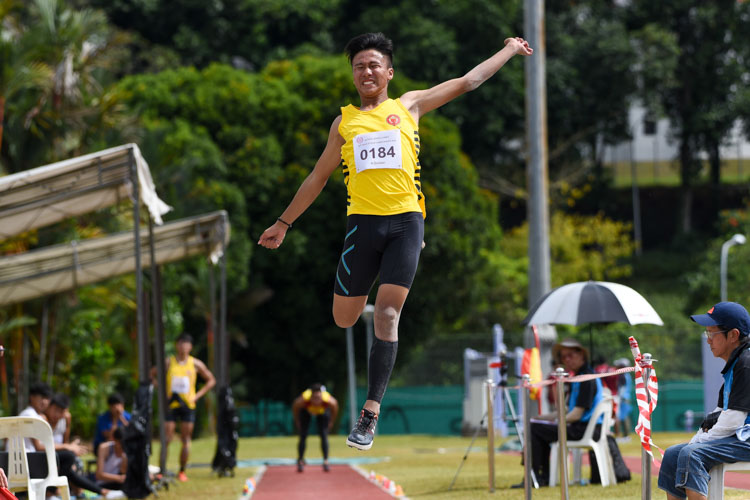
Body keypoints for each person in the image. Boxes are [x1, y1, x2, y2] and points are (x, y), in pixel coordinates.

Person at [258, 32, 533, 451]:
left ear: (389, 71)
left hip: (406, 223)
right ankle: (371, 285)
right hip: (362, 227)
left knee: (387, 314)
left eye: (373, 65)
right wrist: (284, 222)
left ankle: (369, 414)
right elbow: (317, 178)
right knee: (344, 318)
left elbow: (469, 81)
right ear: (353, 76)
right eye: (358, 67)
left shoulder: (409, 105)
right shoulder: (344, 123)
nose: (366, 72)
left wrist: (510, 49)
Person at [658, 301, 750, 500]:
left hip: (746, 438)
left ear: (733, 335)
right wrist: (699, 436)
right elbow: (719, 414)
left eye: (712, 333)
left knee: (692, 453)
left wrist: (698, 441)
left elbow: (732, 420)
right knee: (673, 453)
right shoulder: (734, 365)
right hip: (741, 437)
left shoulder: (746, 363)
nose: (708, 340)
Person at [514, 338, 603, 488]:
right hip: (581, 426)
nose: (567, 359)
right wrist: (539, 418)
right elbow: (566, 411)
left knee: (535, 429)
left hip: (585, 429)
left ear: (581, 355)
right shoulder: (578, 376)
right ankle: (541, 476)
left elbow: (576, 415)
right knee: (535, 425)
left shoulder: (586, 377)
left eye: (571, 355)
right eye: (563, 356)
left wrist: (550, 422)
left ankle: (536, 477)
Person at [154, 333, 216, 482]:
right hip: (171, 404)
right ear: (177, 345)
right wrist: (162, 392)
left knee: (185, 438)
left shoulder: (195, 364)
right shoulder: (169, 362)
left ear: (190, 347)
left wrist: (197, 395)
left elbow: (211, 380)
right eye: (180, 343)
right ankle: (162, 470)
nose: (183, 347)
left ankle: (182, 471)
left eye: (186, 344)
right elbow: (152, 374)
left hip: (188, 404)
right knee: (166, 438)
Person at [291, 384, 339, 472]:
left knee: (324, 435)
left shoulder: (329, 401)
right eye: (314, 398)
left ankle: (326, 461)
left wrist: (331, 421)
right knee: (303, 435)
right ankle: (300, 460)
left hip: (322, 412)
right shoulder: (303, 400)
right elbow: (295, 407)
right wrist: (297, 420)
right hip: (306, 411)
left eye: (319, 398)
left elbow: (335, 407)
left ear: (321, 396)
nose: (317, 401)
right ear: (311, 397)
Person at [19, 381, 53, 452]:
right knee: (68, 456)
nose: (44, 402)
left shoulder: (36, 415)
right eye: (42, 397)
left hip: (28, 454)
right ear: (32, 397)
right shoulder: (29, 415)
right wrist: (67, 446)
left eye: (47, 398)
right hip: (25, 456)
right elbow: (39, 447)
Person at [613, 357, 633, 439]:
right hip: (625, 398)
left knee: (622, 417)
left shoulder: (623, 376)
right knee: (624, 417)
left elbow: (622, 388)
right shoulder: (627, 375)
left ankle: (625, 436)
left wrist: (619, 397)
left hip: (623, 399)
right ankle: (626, 436)